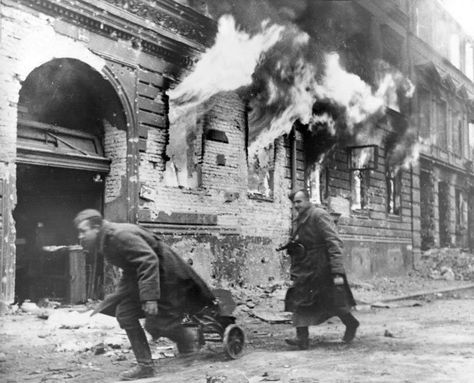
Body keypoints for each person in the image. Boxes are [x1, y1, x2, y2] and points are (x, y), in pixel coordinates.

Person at [73, 209, 216, 381]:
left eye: (83, 231)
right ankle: (145, 366)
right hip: (147, 277)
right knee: (125, 314)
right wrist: (121, 293)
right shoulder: (107, 240)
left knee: (156, 324)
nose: (80, 236)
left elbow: (148, 261)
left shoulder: (119, 236)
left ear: (96, 227)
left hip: (166, 275)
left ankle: (189, 339)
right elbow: (130, 267)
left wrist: (149, 297)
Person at [281, 189, 359, 349]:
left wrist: (336, 268)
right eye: (294, 202)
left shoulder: (318, 214)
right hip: (306, 266)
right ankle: (302, 339)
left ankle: (351, 323)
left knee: (334, 301)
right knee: (299, 298)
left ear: (308, 200)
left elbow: (333, 240)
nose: (296, 205)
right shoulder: (299, 218)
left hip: (323, 267)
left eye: (299, 202)